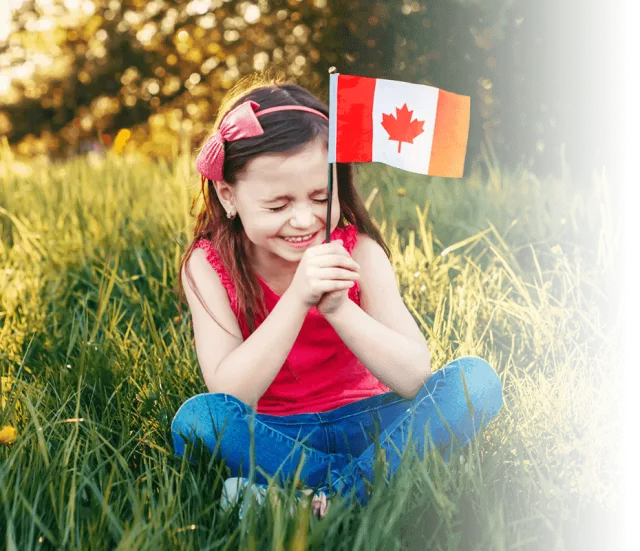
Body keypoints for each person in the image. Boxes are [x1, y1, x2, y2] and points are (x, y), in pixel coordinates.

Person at [171, 73, 503, 519]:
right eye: (278, 205)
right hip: (275, 433)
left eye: (320, 197)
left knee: (475, 384)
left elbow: (413, 375)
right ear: (228, 196)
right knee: (200, 421)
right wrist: (297, 300)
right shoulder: (208, 265)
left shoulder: (359, 251)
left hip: (369, 419)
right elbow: (232, 393)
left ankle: (313, 500)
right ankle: (371, 483)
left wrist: (339, 307)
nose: (304, 219)